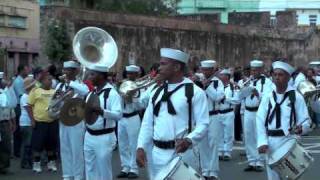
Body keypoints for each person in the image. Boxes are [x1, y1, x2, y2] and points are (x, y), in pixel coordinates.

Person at [136, 48, 209, 178]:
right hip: (156, 155)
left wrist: (188, 140)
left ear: (176, 67)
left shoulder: (194, 92)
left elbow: (203, 124)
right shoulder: (156, 91)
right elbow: (147, 123)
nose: (159, 68)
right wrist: (141, 147)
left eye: (163, 64)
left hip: (182, 154)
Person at [257, 61, 312, 180]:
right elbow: (260, 119)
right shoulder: (268, 96)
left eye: (281, 75)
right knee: (273, 177)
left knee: (292, 176)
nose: (277, 77)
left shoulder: (295, 96)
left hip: (289, 140)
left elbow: (305, 120)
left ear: (288, 77)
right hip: (271, 142)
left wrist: (302, 128)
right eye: (275, 74)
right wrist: (262, 141)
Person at [84, 64, 122, 180]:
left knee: (104, 171)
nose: (89, 77)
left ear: (101, 76)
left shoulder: (112, 93)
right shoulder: (91, 93)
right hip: (89, 135)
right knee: (90, 169)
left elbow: (119, 115)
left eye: (92, 74)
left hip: (104, 137)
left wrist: (102, 112)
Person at [57, 61, 89, 180]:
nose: (65, 72)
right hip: (63, 120)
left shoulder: (80, 85)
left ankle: (78, 176)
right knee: (64, 149)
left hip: (76, 121)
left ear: (76, 71)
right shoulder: (60, 86)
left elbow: (85, 91)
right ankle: (67, 175)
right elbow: (55, 101)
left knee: (77, 150)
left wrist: (70, 83)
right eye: (65, 70)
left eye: (69, 70)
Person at [239, 60, 273, 172]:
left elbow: (268, 97)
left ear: (261, 70)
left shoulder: (267, 82)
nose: (253, 72)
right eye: (252, 70)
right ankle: (251, 161)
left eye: (256, 70)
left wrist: (257, 93)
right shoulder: (248, 81)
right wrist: (243, 89)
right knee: (249, 137)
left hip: (259, 111)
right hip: (248, 111)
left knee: (259, 136)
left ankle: (260, 162)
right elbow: (240, 96)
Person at [27, 72, 58, 173]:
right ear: (43, 80)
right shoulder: (35, 91)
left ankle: (51, 164)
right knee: (37, 146)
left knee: (51, 145)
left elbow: (58, 105)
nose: (51, 81)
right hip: (40, 123)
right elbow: (29, 106)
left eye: (51, 80)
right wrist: (32, 120)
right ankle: (36, 165)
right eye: (49, 79)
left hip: (52, 122)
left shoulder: (55, 91)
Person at [117, 65, 144, 179]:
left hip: (133, 117)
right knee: (122, 144)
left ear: (137, 75)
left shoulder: (140, 87)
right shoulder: (123, 85)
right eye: (128, 73)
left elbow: (141, 105)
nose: (129, 76)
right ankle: (125, 167)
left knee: (133, 144)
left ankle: (134, 169)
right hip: (121, 117)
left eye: (132, 74)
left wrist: (132, 99)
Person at [199, 60, 224, 180]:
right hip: (201, 117)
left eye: (207, 70)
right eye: (203, 70)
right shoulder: (198, 81)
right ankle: (205, 170)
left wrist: (207, 86)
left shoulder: (217, 82)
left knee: (213, 143)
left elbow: (218, 97)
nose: (205, 72)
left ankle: (213, 171)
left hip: (213, 115)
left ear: (212, 70)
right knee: (202, 144)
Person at [217, 69, 240, 161]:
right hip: (218, 112)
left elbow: (237, 100)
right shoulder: (217, 86)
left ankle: (227, 152)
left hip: (228, 112)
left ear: (226, 76)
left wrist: (226, 99)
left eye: (221, 75)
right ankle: (219, 151)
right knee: (219, 133)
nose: (220, 77)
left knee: (228, 133)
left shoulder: (233, 87)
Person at [0, 72, 16, 174]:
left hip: (4, 122)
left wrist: (13, 122)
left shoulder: (5, 93)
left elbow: (10, 107)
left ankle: (3, 166)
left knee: (6, 145)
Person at [13, 64, 30, 157]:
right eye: (26, 69)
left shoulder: (22, 80)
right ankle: (17, 151)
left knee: (20, 130)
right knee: (19, 130)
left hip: (21, 105)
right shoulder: (18, 81)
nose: (28, 71)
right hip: (19, 106)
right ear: (22, 71)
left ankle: (18, 151)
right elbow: (21, 95)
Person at [19, 77, 36, 169]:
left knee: (27, 143)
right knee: (27, 144)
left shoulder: (27, 96)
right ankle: (25, 162)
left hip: (26, 122)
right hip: (26, 122)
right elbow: (29, 110)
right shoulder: (25, 97)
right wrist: (33, 120)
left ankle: (27, 161)